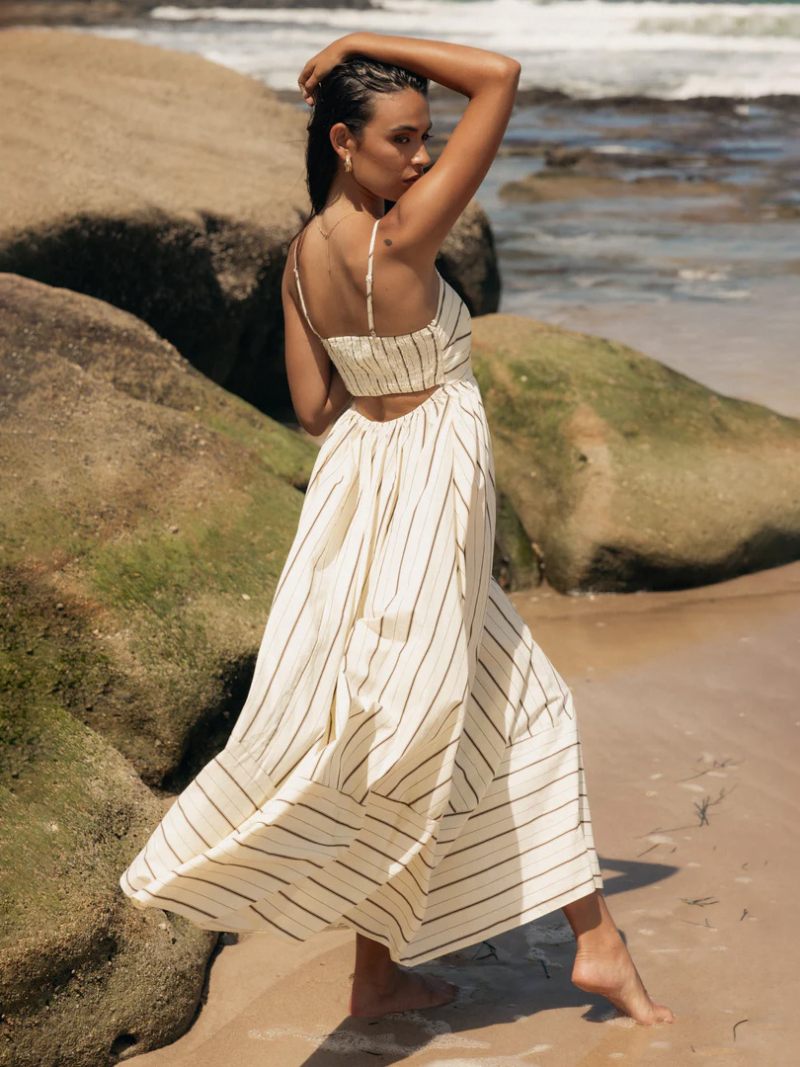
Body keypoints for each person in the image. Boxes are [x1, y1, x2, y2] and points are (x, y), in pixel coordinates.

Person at [119, 31, 675, 1026]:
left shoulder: (301, 256)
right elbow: (499, 76)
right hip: (428, 478)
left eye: (426, 140)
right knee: (489, 707)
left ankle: (388, 971)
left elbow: (309, 406)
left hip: (361, 482)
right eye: (404, 138)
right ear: (343, 140)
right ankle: (592, 940)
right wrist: (358, 40)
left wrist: (376, 378)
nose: (420, 158)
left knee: (417, 711)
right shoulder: (403, 235)